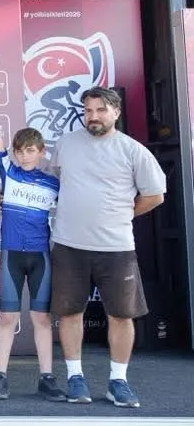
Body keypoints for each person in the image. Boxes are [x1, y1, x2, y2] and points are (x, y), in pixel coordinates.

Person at [50, 87, 165, 407]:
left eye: (100, 110)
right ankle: (75, 378)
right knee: (70, 313)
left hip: (116, 247)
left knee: (121, 315)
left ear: (116, 112)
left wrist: (123, 214)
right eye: (88, 111)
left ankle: (118, 381)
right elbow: (56, 180)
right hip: (69, 244)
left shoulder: (133, 150)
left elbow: (155, 196)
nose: (93, 116)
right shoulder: (66, 144)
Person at [0, 92, 65, 401]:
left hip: (41, 256)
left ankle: (47, 378)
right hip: (11, 255)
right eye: (20, 151)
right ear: (14, 153)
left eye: (31, 151)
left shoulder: (54, 183)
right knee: (7, 319)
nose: (25, 156)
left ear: (41, 152)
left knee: (41, 319)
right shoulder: (9, 172)